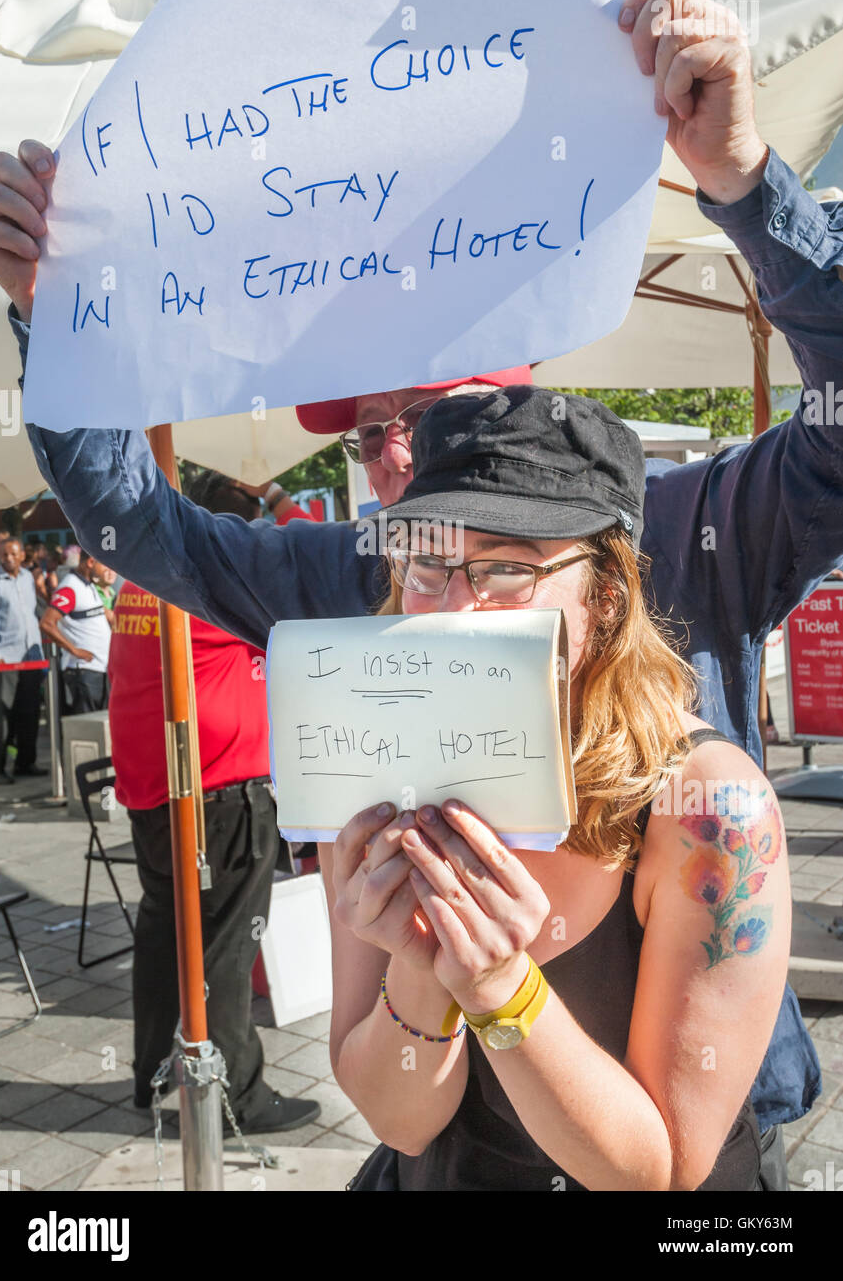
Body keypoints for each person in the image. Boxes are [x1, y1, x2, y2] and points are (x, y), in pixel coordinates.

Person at [0, 0, 841, 1182]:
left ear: (603, 591)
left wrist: (746, 184)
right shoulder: (367, 576)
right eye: (363, 425)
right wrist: (57, 325)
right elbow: (141, 527)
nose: (391, 456)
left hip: (682, 1108)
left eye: (418, 411)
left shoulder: (684, 520)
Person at [326, 386, 790, 1191]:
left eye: (506, 568)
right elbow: (398, 1120)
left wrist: (500, 988)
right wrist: (417, 965)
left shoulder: (709, 810)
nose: (457, 608)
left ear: (604, 599)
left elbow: (658, 1172)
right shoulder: (372, 769)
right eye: (430, 562)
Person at [109, 470, 320, 1133]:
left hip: (159, 791)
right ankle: (238, 1097)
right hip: (221, 790)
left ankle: (149, 1078)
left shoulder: (139, 576)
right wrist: (283, 501)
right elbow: (325, 558)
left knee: (164, 940)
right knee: (226, 947)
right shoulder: (218, 578)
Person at [0, 537, 47, 782]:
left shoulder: (28, 578)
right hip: (3, 660)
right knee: (1, 718)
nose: (8, 558)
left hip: (31, 657)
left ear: (21, 556)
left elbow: (32, 614)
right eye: (4, 555)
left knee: (29, 713)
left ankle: (25, 763)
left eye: (12, 554)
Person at [39, 549, 116, 713]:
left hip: (99, 668)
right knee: (88, 728)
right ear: (90, 562)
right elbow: (47, 623)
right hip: (84, 671)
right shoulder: (70, 587)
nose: (109, 570)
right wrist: (74, 650)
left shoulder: (88, 585)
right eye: (104, 565)